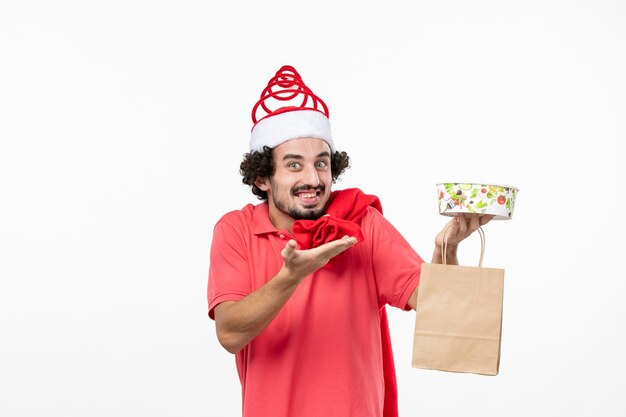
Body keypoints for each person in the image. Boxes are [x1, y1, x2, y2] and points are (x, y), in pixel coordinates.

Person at [207, 65, 492, 417]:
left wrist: (447, 249)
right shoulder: (235, 230)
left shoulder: (361, 222)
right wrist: (291, 276)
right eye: (294, 166)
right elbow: (230, 334)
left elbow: (444, 315)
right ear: (262, 177)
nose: (312, 178)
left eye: (321, 164)